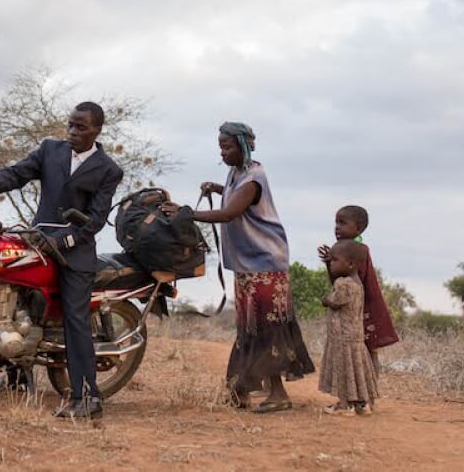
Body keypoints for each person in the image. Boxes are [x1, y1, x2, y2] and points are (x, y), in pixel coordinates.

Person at [0, 101, 124, 419]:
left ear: (97, 130)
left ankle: (88, 398)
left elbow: (95, 220)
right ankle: (14, 380)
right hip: (37, 242)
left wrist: (64, 239)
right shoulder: (49, 150)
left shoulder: (109, 170)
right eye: (70, 124)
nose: (72, 131)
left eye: (81, 127)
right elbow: (18, 173)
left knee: (75, 320)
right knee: (13, 303)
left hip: (75, 254)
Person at [168, 122, 314, 413]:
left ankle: (278, 394)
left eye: (228, 147)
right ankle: (241, 390)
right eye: (221, 147)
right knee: (250, 326)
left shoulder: (253, 176)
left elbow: (231, 212)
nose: (222, 152)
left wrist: (188, 214)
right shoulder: (238, 173)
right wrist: (218, 187)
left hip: (265, 262)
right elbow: (235, 198)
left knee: (266, 328)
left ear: (245, 146)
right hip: (250, 264)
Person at [318, 205, 398, 375]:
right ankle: (360, 395)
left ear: (358, 228)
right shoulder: (343, 249)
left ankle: (368, 393)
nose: (337, 227)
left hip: (365, 307)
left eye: (343, 223)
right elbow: (338, 281)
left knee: (369, 351)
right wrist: (329, 262)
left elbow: (349, 282)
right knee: (359, 352)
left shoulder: (358, 250)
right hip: (354, 307)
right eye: (336, 223)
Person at [318, 240, 379, 416]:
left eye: (334, 260)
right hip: (356, 336)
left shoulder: (343, 284)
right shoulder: (358, 284)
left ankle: (345, 405)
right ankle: (361, 403)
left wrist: (325, 299)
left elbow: (334, 301)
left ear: (351, 264)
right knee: (356, 371)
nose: (331, 263)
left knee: (343, 370)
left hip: (342, 337)